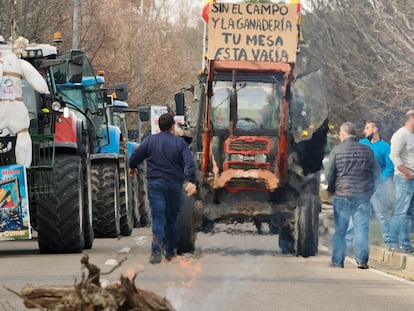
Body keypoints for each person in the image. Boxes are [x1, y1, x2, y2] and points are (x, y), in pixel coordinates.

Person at [129, 113, 196, 264]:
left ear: (159, 126)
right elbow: (189, 162)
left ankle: (156, 252)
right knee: (172, 219)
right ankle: (170, 251)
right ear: (173, 126)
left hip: (156, 184)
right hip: (174, 184)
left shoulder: (149, 141)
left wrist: (132, 167)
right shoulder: (180, 143)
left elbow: (135, 156)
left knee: (158, 218)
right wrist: (191, 180)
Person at [326, 122, 378, 269]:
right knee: (361, 229)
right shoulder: (367, 150)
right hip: (362, 196)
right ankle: (362, 260)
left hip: (342, 195)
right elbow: (376, 173)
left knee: (340, 231)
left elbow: (330, 173)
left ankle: (337, 261)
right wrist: (370, 190)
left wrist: (331, 189)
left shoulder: (337, 150)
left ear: (342, 134)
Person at [346, 121, 394, 247]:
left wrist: (379, 179)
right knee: (356, 213)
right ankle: (347, 242)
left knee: (381, 214)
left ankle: (389, 242)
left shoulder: (385, 147)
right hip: (361, 185)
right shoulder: (362, 143)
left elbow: (390, 166)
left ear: (375, 129)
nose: (364, 130)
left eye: (367, 128)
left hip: (377, 187)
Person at [387, 109, 414, 253]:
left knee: (409, 213)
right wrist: (406, 172)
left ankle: (405, 244)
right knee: (401, 212)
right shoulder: (400, 134)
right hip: (403, 178)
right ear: (411, 119)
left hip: (412, 178)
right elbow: (394, 156)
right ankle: (392, 242)